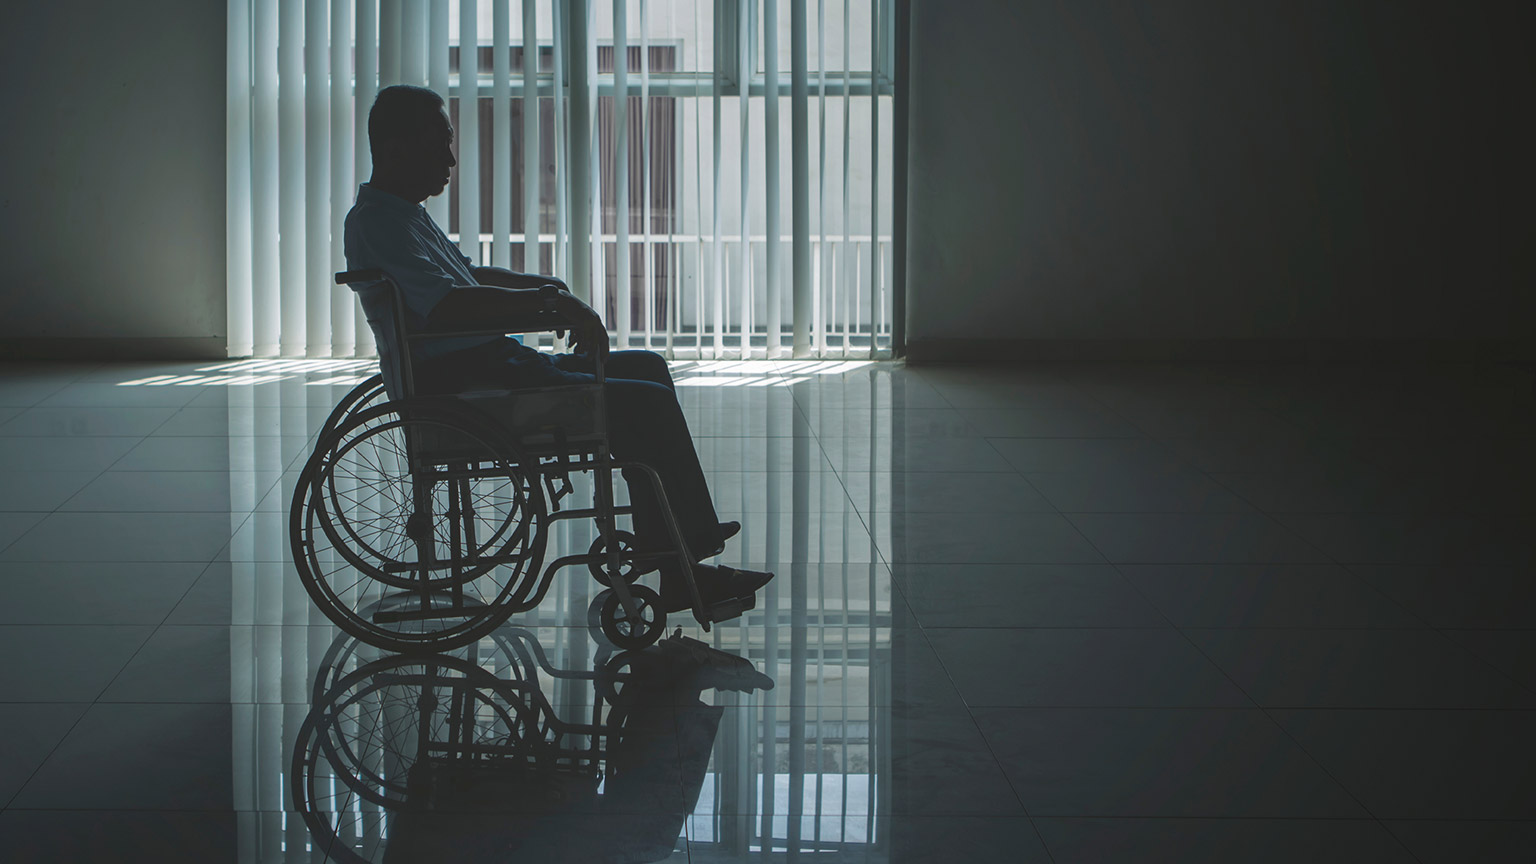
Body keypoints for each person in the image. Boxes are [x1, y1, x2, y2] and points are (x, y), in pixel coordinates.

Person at [343, 84, 771, 615]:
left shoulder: (402, 214)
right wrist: (548, 303)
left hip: (487, 367)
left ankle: (682, 547)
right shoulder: (380, 222)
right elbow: (449, 305)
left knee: (648, 368)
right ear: (397, 148)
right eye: (440, 144)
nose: (451, 158)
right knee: (644, 404)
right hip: (468, 386)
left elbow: (467, 276)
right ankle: (682, 559)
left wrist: (546, 290)